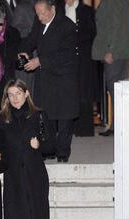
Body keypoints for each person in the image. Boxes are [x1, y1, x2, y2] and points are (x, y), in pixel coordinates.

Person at [0, 79, 55, 219]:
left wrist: (40, 144)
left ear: (27, 93)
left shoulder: (38, 115)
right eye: (10, 95)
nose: (15, 98)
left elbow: (52, 146)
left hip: (34, 176)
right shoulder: (1, 119)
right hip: (13, 177)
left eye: (18, 93)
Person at [19, 0, 78, 162]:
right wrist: (24, 52)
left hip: (64, 78)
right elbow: (31, 39)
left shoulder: (67, 27)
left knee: (64, 117)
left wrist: (40, 61)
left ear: (52, 9)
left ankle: (63, 153)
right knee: (46, 115)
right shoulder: (40, 24)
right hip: (45, 78)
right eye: (37, 14)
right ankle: (49, 149)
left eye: (42, 13)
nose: (39, 17)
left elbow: (65, 55)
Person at [92, 0, 129, 136]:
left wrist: (111, 50)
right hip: (121, 52)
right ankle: (119, 126)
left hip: (114, 53)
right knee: (120, 91)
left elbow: (116, 26)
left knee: (115, 90)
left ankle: (119, 127)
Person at [58, 0, 96, 137]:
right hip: (62, 58)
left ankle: (84, 128)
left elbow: (91, 32)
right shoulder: (58, 9)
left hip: (83, 57)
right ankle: (66, 129)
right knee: (65, 92)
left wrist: (73, 38)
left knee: (83, 92)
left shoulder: (86, 10)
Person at [12, 0, 37, 95]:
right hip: (27, 58)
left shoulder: (50, 5)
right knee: (26, 91)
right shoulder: (22, 7)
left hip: (42, 59)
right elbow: (14, 34)